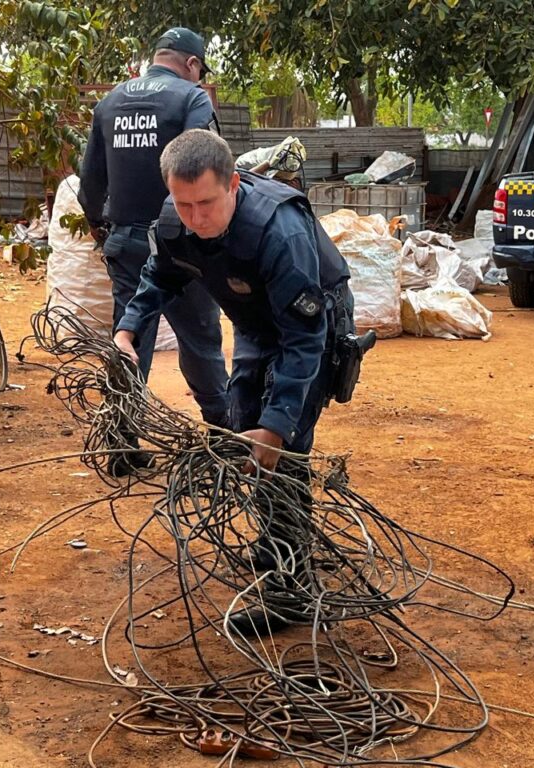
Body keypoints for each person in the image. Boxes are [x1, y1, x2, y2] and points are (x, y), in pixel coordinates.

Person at [114, 129, 366, 637]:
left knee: (283, 447)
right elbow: (160, 275)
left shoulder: (279, 233)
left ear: (232, 185)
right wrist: (128, 328)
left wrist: (277, 426)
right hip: (253, 321)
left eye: (206, 203)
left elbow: (303, 340)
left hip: (312, 323)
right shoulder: (176, 220)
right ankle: (277, 542)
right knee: (242, 423)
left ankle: (290, 590)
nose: (195, 218)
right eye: (183, 204)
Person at [78, 27, 230, 473]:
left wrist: (98, 223)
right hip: (181, 243)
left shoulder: (109, 102)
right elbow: (202, 167)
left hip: (126, 239)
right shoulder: (192, 99)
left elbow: (91, 180)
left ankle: (120, 445)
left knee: (130, 338)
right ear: (192, 64)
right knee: (200, 338)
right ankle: (224, 437)